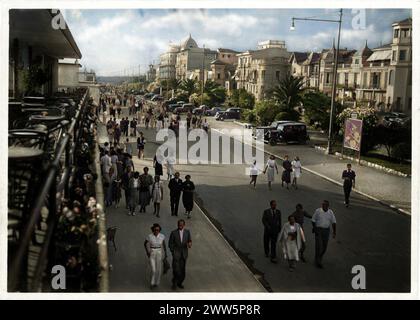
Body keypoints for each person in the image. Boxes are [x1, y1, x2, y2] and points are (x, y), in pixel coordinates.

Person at [312, 200, 337, 269]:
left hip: (326, 231)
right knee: (319, 246)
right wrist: (314, 228)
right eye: (323, 205)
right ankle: (318, 261)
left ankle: (319, 257)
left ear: (328, 206)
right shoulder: (318, 211)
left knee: (324, 247)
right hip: (319, 230)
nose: (323, 206)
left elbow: (334, 222)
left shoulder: (330, 212)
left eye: (325, 205)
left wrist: (334, 232)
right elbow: (313, 220)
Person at [168, 219, 192, 290]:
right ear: (177, 225)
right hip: (176, 254)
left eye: (181, 225)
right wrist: (173, 252)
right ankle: (174, 283)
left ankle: (180, 283)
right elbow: (170, 243)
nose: (180, 226)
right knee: (176, 270)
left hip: (184, 254)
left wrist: (190, 243)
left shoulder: (187, 232)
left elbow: (189, 240)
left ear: (184, 225)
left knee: (182, 271)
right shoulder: (173, 233)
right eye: (179, 224)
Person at [144, 223, 167, 289]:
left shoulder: (162, 236)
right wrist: (147, 252)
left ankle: (156, 282)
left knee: (158, 269)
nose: (156, 231)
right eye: (155, 230)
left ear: (159, 230)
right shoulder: (149, 236)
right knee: (153, 269)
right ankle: (152, 283)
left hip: (159, 252)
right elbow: (145, 243)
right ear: (153, 230)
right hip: (152, 252)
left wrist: (166, 254)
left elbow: (164, 245)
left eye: (158, 230)